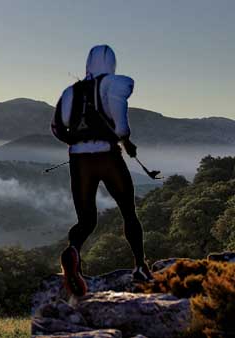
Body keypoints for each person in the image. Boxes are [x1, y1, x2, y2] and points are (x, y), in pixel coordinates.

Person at [55, 44, 153, 297]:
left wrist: (76, 143)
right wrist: (125, 139)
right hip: (108, 157)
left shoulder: (69, 92)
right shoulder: (118, 82)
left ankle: (73, 251)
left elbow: (57, 127)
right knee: (128, 212)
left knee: (86, 220)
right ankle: (140, 266)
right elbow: (119, 116)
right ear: (111, 64)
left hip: (79, 161)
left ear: (87, 64)